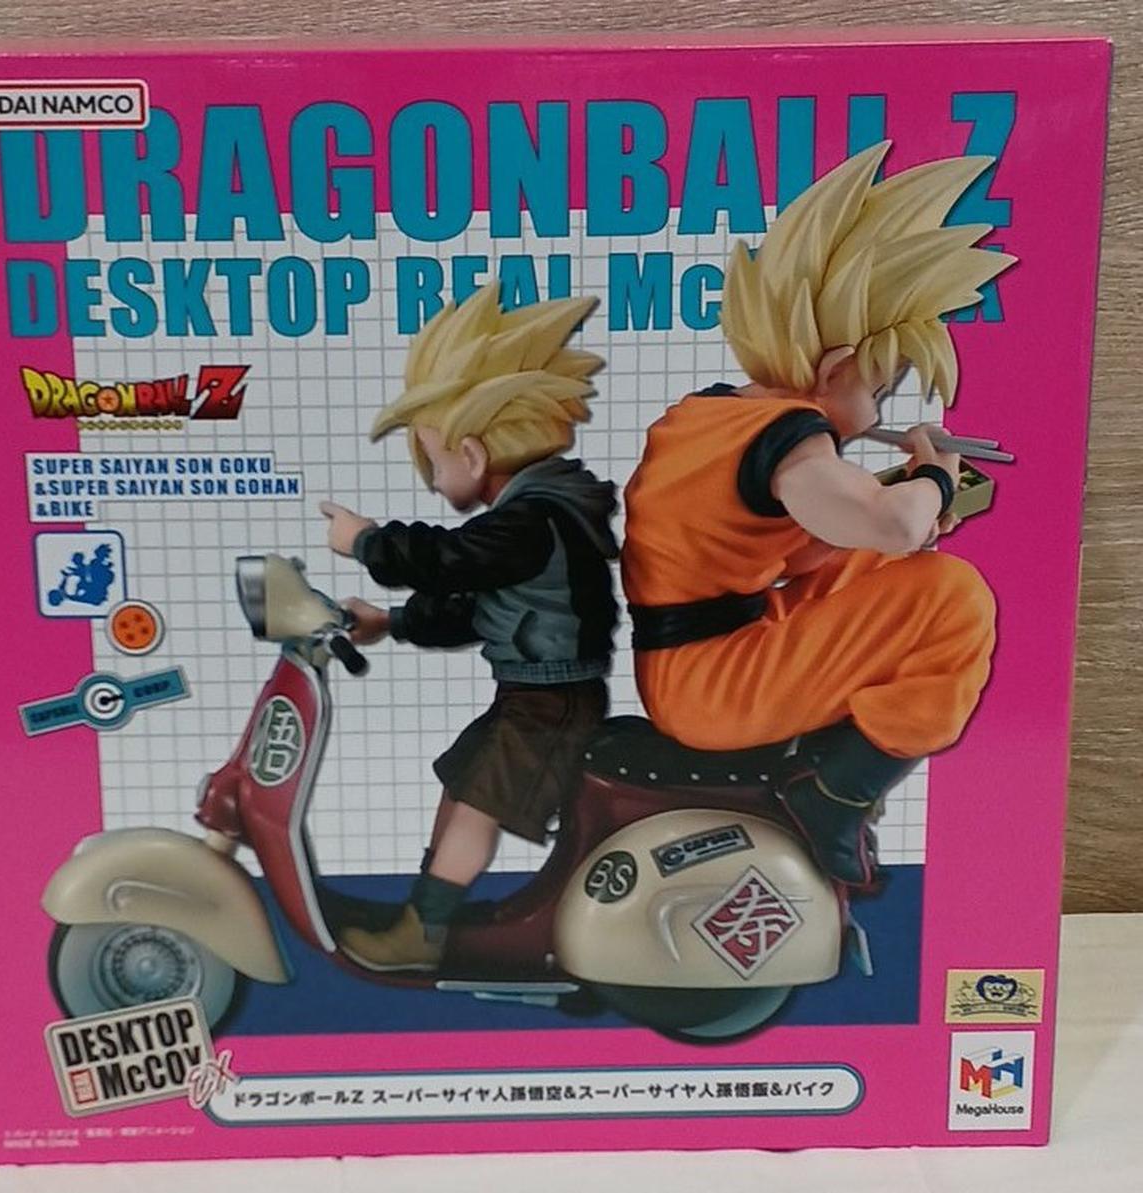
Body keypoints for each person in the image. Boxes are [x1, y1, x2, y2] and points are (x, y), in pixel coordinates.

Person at [621, 142, 1014, 888]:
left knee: (888, 565)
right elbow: (892, 524)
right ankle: (836, 793)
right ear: (834, 369)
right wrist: (933, 478)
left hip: (689, 658)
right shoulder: (792, 438)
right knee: (952, 597)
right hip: (712, 684)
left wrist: (900, 509)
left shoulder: (708, 413)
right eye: (881, 385)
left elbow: (793, 547)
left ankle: (837, 749)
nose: (879, 409)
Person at [320, 284, 618, 971]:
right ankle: (427, 911)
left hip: (551, 700)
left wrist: (368, 543)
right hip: (533, 693)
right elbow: (478, 606)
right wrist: (391, 620)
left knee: (478, 805)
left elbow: (449, 560)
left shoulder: (527, 521)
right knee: (461, 784)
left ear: (475, 454)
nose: (432, 479)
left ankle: (422, 935)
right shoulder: (529, 519)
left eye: (434, 458)